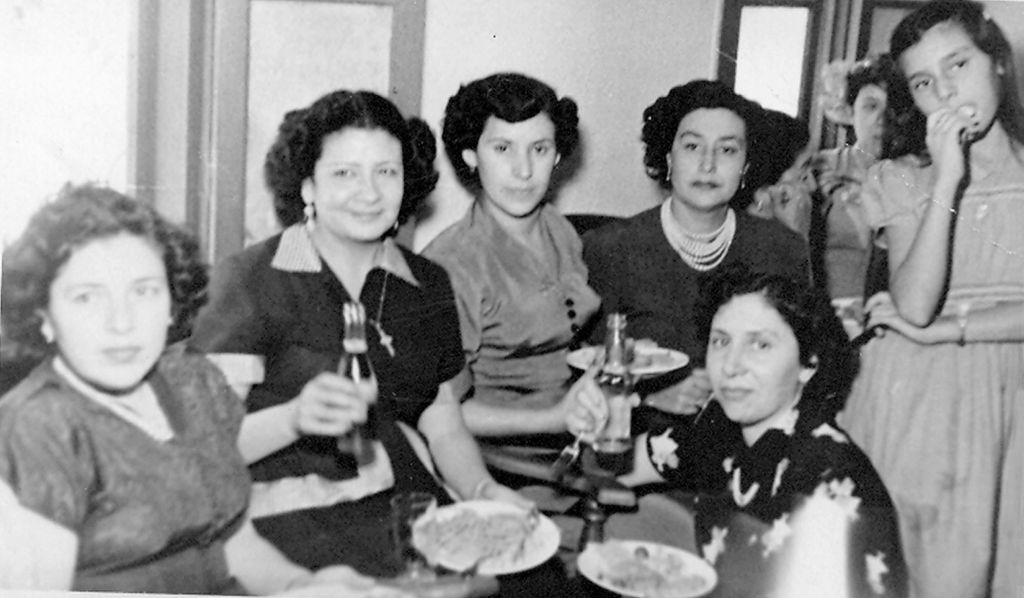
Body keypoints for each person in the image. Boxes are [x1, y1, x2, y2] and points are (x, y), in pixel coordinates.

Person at [188, 90, 531, 579]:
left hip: (402, 502)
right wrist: (294, 419)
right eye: (345, 173)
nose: (369, 193)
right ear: (307, 186)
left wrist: (482, 491)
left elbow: (442, 420)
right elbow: (203, 449)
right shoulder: (249, 280)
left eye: (386, 172)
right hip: (279, 519)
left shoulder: (427, 282)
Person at [0, 184, 404, 596]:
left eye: (144, 291)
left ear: (171, 304)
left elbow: (232, 545)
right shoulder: (37, 426)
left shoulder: (192, 381)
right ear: (43, 315)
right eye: (87, 297)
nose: (121, 322)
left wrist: (302, 584)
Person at [567, 268, 908, 598]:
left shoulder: (832, 482)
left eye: (760, 345)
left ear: (809, 364)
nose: (730, 365)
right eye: (721, 341)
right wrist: (599, 422)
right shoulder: (720, 434)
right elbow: (611, 468)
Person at [837, 2, 1024, 597]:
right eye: (923, 82)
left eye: (958, 65)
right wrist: (946, 178)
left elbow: (933, 321)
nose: (944, 92)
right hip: (920, 404)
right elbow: (915, 305)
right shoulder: (903, 177)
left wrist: (954, 328)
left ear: (998, 62)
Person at [583, 80, 809, 417]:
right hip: (637, 429)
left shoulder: (781, 249)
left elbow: (803, 366)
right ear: (668, 157)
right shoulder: (609, 248)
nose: (708, 164)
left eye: (727, 150)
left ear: (746, 166)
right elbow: (578, 370)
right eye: (692, 146)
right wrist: (648, 396)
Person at [421, 73, 600, 441]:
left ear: (558, 155)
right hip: (497, 451)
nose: (524, 170)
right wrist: (552, 420)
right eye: (503, 149)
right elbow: (437, 412)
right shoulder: (450, 264)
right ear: (471, 155)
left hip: (577, 433)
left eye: (540, 149)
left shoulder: (559, 229)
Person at [811, 54, 902, 307]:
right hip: (829, 313)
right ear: (850, 112)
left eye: (893, 108)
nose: (883, 118)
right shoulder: (820, 167)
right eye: (871, 106)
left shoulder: (919, 176)